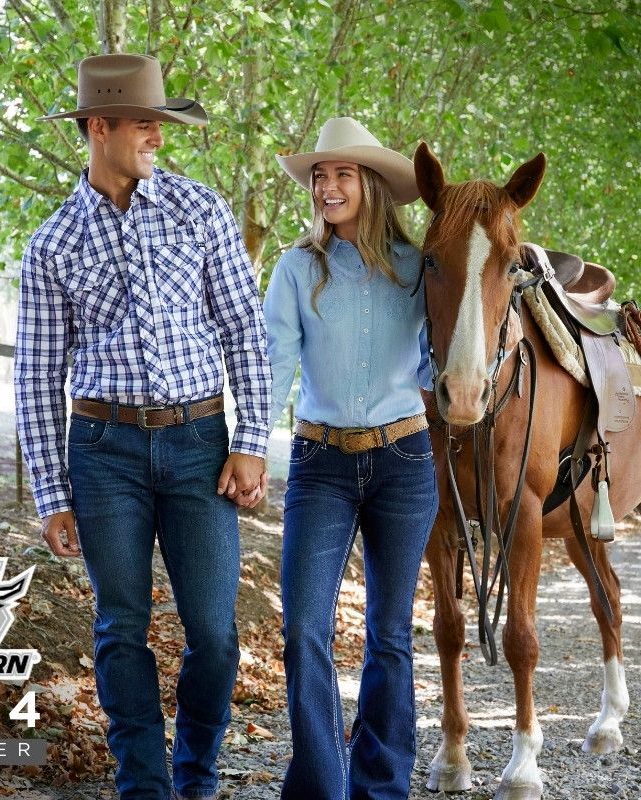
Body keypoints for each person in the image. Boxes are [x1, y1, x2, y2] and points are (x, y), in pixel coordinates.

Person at [14, 53, 272, 800]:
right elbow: (36, 377)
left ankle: (195, 774)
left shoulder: (200, 210)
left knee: (216, 636)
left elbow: (243, 331)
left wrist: (252, 439)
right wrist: (50, 494)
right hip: (104, 454)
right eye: (145, 124)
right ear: (99, 128)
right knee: (121, 627)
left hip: (199, 446)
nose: (159, 136)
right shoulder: (54, 243)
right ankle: (144, 786)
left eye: (163, 123)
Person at [263, 117, 438, 800]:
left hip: (404, 460)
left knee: (389, 632)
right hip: (320, 463)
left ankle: (381, 787)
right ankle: (318, 788)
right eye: (319, 176)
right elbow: (274, 365)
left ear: (370, 184)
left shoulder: (419, 268)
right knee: (305, 627)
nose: (327, 187)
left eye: (341, 174)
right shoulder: (295, 267)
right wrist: (249, 449)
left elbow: (448, 353)